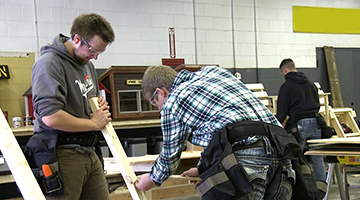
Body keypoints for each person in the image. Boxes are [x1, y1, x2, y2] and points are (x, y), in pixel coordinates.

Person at [136, 65, 295, 199]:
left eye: (156, 103)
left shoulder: (173, 102)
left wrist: (152, 179)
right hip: (282, 149)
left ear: (160, 92)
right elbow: (218, 130)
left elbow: (170, 156)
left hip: (248, 160)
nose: (159, 109)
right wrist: (201, 169)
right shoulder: (213, 72)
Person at [29, 13, 115, 199]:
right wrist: (93, 123)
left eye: (99, 53)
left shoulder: (87, 65)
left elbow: (88, 100)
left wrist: (98, 107)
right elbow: (51, 116)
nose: (95, 57)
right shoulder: (50, 64)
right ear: (77, 39)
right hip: (64, 153)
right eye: (93, 50)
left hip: (89, 151)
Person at [276, 58, 326, 182]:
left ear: (285, 70)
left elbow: (282, 112)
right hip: (316, 123)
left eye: (282, 72)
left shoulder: (286, 87)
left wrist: (275, 126)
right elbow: (317, 105)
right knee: (318, 158)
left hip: (298, 126)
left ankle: (299, 189)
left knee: (294, 158)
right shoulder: (311, 83)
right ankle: (322, 189)